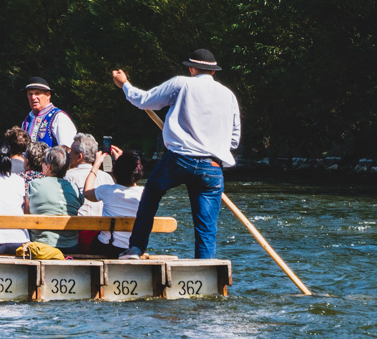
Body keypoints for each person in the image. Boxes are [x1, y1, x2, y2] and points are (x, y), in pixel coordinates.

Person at [111, 49, 241, 260]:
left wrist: (124, 84)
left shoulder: (181, 84)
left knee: (151, 195)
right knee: (206, 225)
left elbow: (143, 101)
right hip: (213, 167)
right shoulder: (229, 95)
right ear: (213, 72)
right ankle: (206, 266)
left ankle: (136, 248)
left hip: (180, 159)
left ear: (191, 68)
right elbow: (234, 140)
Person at [85, 150, 145, 257]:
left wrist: (96, 165)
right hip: (133, 248)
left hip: (106, 247)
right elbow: (126, 173)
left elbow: (87, 192)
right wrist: (121, 162)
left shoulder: (107, 190)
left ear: (115, 173)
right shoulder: (145, 194)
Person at [24, 146, 83, 251]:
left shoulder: (34, 185)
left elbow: (26, 216)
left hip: (42, 245)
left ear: (48, 167)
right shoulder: (74, 187)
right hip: (70, 246)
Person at [18, 77, 77, 149]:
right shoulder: (27, 121)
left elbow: (68, 151)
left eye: (37, 93)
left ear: (48, 95)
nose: (33, 97)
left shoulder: (59, 118)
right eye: (30, 94)